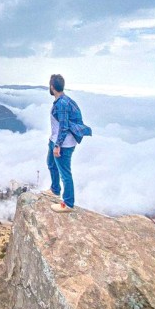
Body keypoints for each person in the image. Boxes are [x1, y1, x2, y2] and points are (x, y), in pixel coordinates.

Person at [41, 74, 92, 213]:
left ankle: (68, 203)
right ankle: (55, 189)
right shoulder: (62, 100)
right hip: (54, 140)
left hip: (63, 144)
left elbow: (63, 126)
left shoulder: (62, 103)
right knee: (51, 164)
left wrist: (57, 146)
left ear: (52, 87)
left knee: (65, 173)